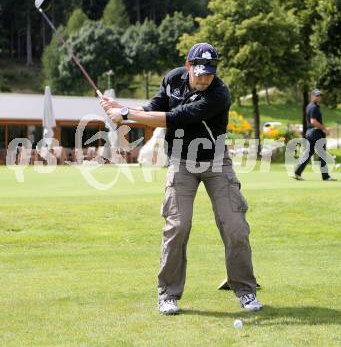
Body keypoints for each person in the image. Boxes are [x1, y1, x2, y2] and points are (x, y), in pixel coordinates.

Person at [100, 43, 263, 315]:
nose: (203, 79)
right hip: (181, 163)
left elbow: (176, 117)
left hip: (216, 163)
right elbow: (155, 107)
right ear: (188, 66)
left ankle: (245, 291)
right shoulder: (173, 79)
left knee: (235, 226)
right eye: (199, 73)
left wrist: (126, 114)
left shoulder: (219, 93)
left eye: (209, 74)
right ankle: (168, 295)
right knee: (178, 226)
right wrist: (123, 108)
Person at [294, 89, 337, 181]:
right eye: (316, 95)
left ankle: (297, 172)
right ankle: (325, 176)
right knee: (322, 153)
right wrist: (324, 129)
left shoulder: (310, 106)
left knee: (309, 152)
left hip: (310, 132)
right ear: (312, 96)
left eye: (319, 95)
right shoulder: (313, 107)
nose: (318, 97)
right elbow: (313, 121)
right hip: (315, 132)